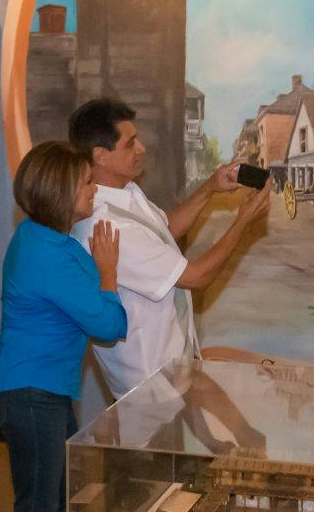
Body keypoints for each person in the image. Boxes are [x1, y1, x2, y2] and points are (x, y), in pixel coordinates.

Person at [0, 141, 127, 512]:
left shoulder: (45, 239)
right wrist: (108, 273)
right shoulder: (47, 254)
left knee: (51, 509)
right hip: (30, 396)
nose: (94, 190)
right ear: (63, 192)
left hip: (37, 393)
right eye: (87, 183)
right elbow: (108, 324)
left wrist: (97, 275)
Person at [67, 97, 269, 397]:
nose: (141, 149)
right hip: (149, 384)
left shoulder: (126, 192)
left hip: (172, 372)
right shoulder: (106, 226)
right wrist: (242, 223)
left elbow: (164, 230)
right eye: (130, 143)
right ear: (101, 156)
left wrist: (210, 187)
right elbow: (196, 276)